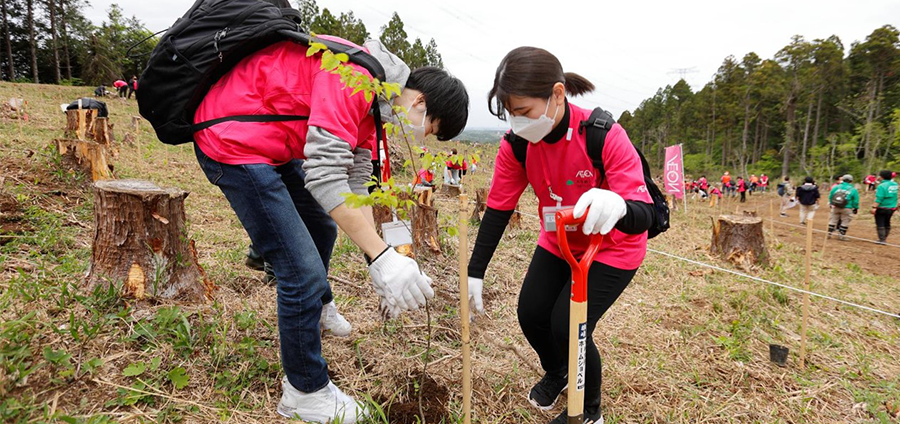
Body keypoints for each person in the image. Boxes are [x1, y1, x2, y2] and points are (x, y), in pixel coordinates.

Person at [191, 33, 469, 423]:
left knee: (323, 225)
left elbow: (354, 185)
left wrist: (383, 261)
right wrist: (380, 256)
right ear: (420, 103)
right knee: (301, 272)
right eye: (431, 129)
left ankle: (317, 306)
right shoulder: (354, 77)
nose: (422, 137)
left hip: (274, 144)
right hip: (233, 138)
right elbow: (323, 177)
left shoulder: (376, 105)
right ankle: (304, 392)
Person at [467, 47, 654, 424]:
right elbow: (500, 207)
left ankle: (589, 413)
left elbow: (644, 212)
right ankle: (559, 371)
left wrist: (617, 205)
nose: (518, 124)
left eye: (524, 113)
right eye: (511, 115)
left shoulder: (602, 134)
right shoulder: (518, 145)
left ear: (556, 94)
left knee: (570, 325)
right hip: (559, 239)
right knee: (531, 313)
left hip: (612, 247)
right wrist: (475, 270)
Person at [827, 174, 860, 240]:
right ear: (851, 181)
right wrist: (855, 207)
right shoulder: (853, 189)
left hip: (836, 206)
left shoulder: (836, 187)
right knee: (845, 221)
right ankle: (841, 235)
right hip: (847, 207)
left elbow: (831, 196)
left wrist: (831, 203)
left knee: (833, 219)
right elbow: (856, 201)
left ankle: (829, 233)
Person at [872, 170, 898, 245]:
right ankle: (884, 238)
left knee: (880, 223)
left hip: (882, 207)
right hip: (892, 207)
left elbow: (879, 198)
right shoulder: (895, 184)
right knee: (887, 222)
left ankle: (882, 239)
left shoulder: (881, 186)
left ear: (882, 177)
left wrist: (874, 207)